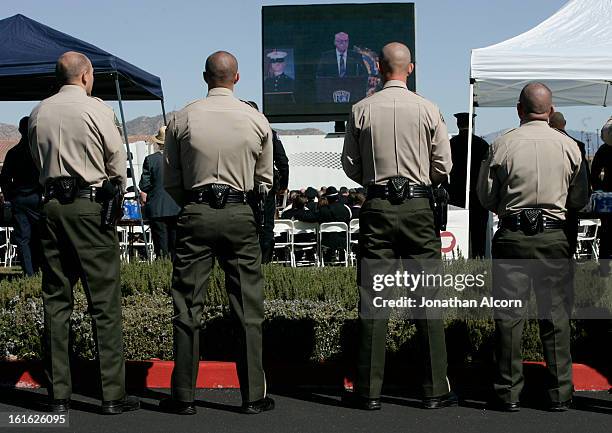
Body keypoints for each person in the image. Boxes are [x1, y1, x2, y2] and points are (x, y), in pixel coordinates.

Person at [341, 42, 456, 410]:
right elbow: (443, 166)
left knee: (374, 301)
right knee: (428, 300)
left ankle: (369, 392)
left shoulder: (361, 109)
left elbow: (350, 165)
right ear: (411, 69)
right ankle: (434, 388)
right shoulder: (428, 109)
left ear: (378, 66)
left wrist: (375, 181)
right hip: (419, 206)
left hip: (376, 206)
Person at [161, 51, 274, 415]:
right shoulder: (256, 119)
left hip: (195, 211)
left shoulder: (183, 117)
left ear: (204, 77)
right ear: (236, 78)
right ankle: (253, 395)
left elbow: (171, 180)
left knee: (187, 306)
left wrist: (194, 202)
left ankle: (183, 395)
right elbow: (264, 180)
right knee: (247, 308)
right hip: (239, 212)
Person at [28, 51, 139, 414]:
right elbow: (116, 160)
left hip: (51, 208)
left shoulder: (38, 112)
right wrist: (115, 190)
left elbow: (33, 159)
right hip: (88, 206)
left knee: (56, 301)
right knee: (103, 303)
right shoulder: (97, 110)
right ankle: (111, 395)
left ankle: (58, 393)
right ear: (86, 76)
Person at [477, 83, 589, 412]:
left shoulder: (502, 144)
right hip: (554, 237)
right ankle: (559, 393)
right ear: (550, 110)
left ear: (519, 109)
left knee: (509, 319)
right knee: (555, 317)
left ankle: (508, 392)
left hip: (512, 235)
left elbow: (486, 197)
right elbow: (580, 198)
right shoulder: (570, 147)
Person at [244, 101, 289, 264]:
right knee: (267, 225)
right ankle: (265, 260)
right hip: (265, 185)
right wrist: (282, 186)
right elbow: (283, 162)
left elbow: (283, 162)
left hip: (245, 185)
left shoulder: (240, 133)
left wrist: (282, 185)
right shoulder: (269, 132)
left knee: (249, 224)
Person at [0, 116, 42, 276]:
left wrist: (9, 195)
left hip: (19, 198)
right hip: (37, 197)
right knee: (39, 235)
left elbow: (4, 178)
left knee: (23, 238)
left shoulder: (13, 153)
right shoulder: (38, 152)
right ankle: (38, 269)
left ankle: (29, 273)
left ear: (20, 130)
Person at [549, 111, 591, 256]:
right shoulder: (577, 145)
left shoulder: (548, 144)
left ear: (550, 124)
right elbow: (583, 177)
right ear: (565, 124)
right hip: (570, 202)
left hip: (551, 200)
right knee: (570, 240)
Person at [448, 112, 489, 258]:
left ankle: (458, 259)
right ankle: (479, 259)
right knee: (479, 233)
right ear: (472, 125)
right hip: (478, 195)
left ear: (458, 125)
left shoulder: (451, 144)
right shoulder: (482, 144)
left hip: (456, 195)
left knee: (457, 231)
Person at [139, 126, 181, 259]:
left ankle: (162, 273)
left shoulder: (150, 160)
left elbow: (144, 185)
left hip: (157, 209)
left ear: (158, 143)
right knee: (176, 249)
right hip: (177, 207)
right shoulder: (180, 159)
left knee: (161, 250)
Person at [591, 118, 612, 275]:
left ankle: (604, 268)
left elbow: (594, 173)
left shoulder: (604, 150)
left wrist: (599, 190)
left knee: (605, 233)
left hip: (607, 197)